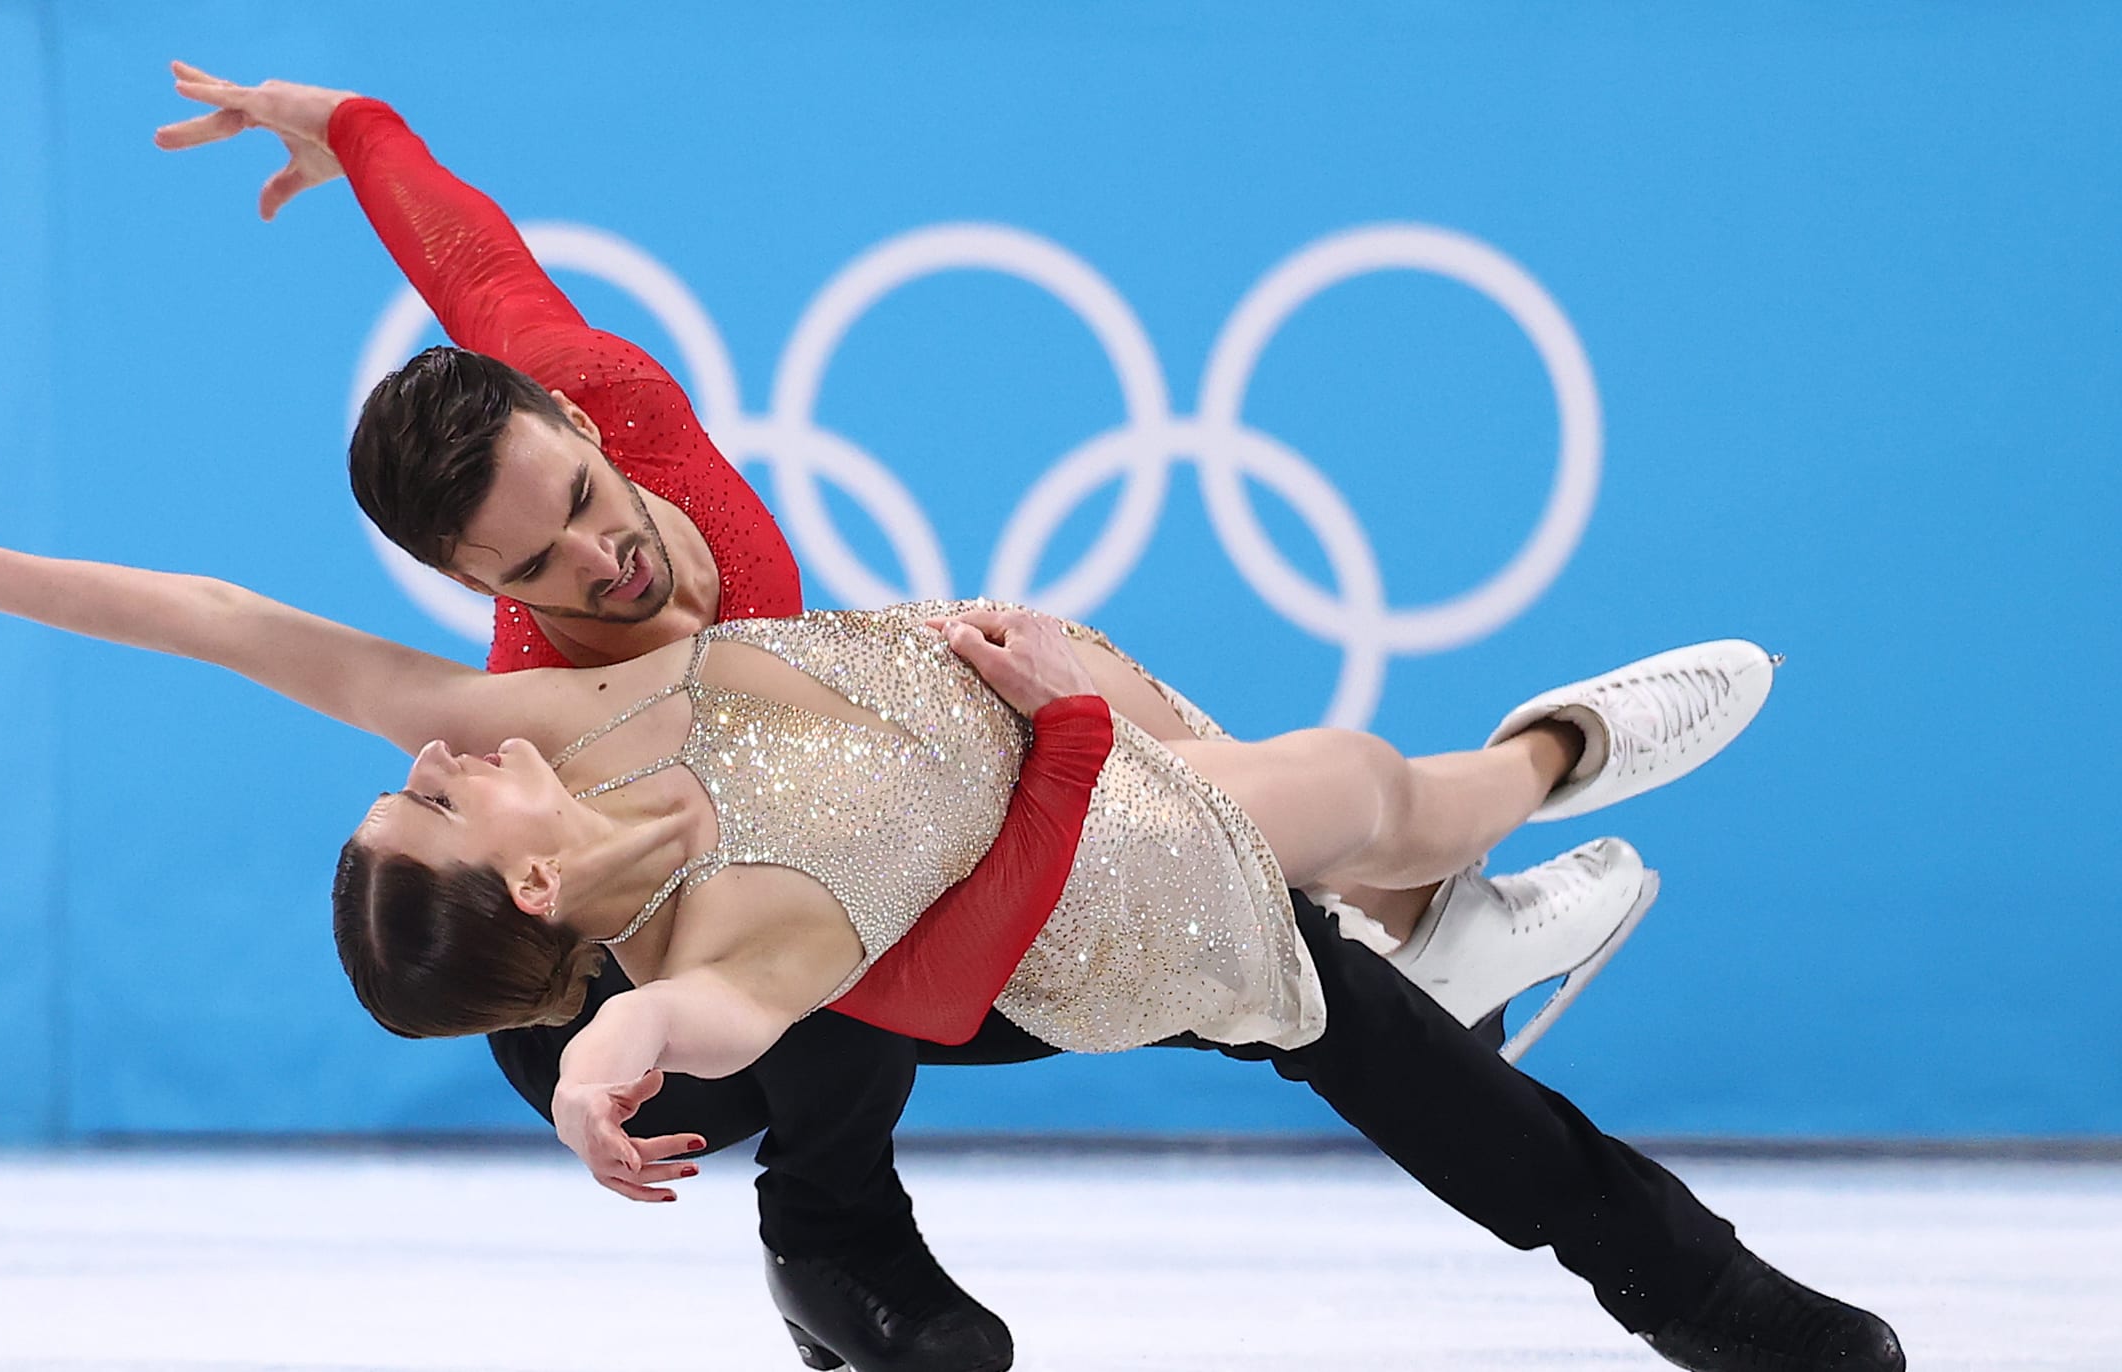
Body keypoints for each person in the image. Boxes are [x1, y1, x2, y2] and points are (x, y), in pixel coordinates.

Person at [150, 64, 1686, 1371]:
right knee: (826, 920)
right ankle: (835, 1236)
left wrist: (347, 121)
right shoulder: (556, 719)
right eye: (529, 572)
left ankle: (1411, 904)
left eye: (576, 511)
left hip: (784, 908)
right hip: (590, 1000)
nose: (593, 567)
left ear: (570, 427)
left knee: (984, 735)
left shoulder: (603, 394)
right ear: (470, 578)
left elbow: (473, 271)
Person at [0, 506, 1899, 1372]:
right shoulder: (728, 935)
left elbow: (221, 619)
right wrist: (598, 1055)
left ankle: (1531, 781)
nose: (446, 745)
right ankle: (844, 1241)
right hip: (1064, 915)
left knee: (1371, 813)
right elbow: (726, 988)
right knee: (1375, 959)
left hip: (1043, 830)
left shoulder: (564, 707)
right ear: (532, 886)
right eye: (435, 794)